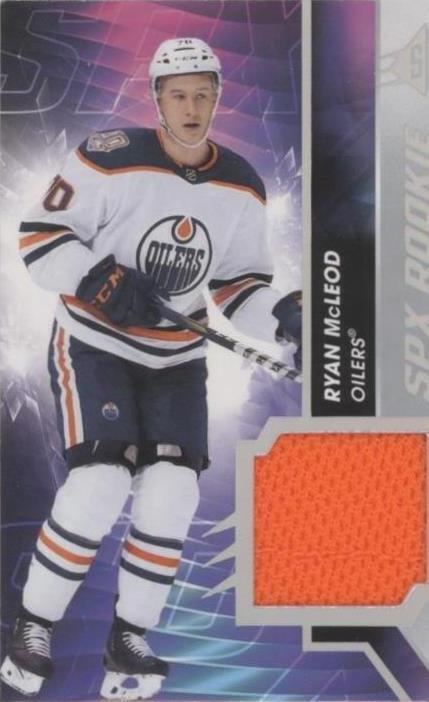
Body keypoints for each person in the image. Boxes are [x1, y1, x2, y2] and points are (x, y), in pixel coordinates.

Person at [0, 38, 301, 700]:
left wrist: (285, 318)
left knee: (173, 493)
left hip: (176, 358)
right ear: (157, 99)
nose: (191, 108)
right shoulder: (109, 157)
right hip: (94, 343)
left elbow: (237, 287)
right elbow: (38, 237)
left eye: (203, 95)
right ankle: (34, 625)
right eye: (178, 95)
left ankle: (129, 637)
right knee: (100, 482)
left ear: (217, 99)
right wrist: (100, 279)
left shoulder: (241, 184)